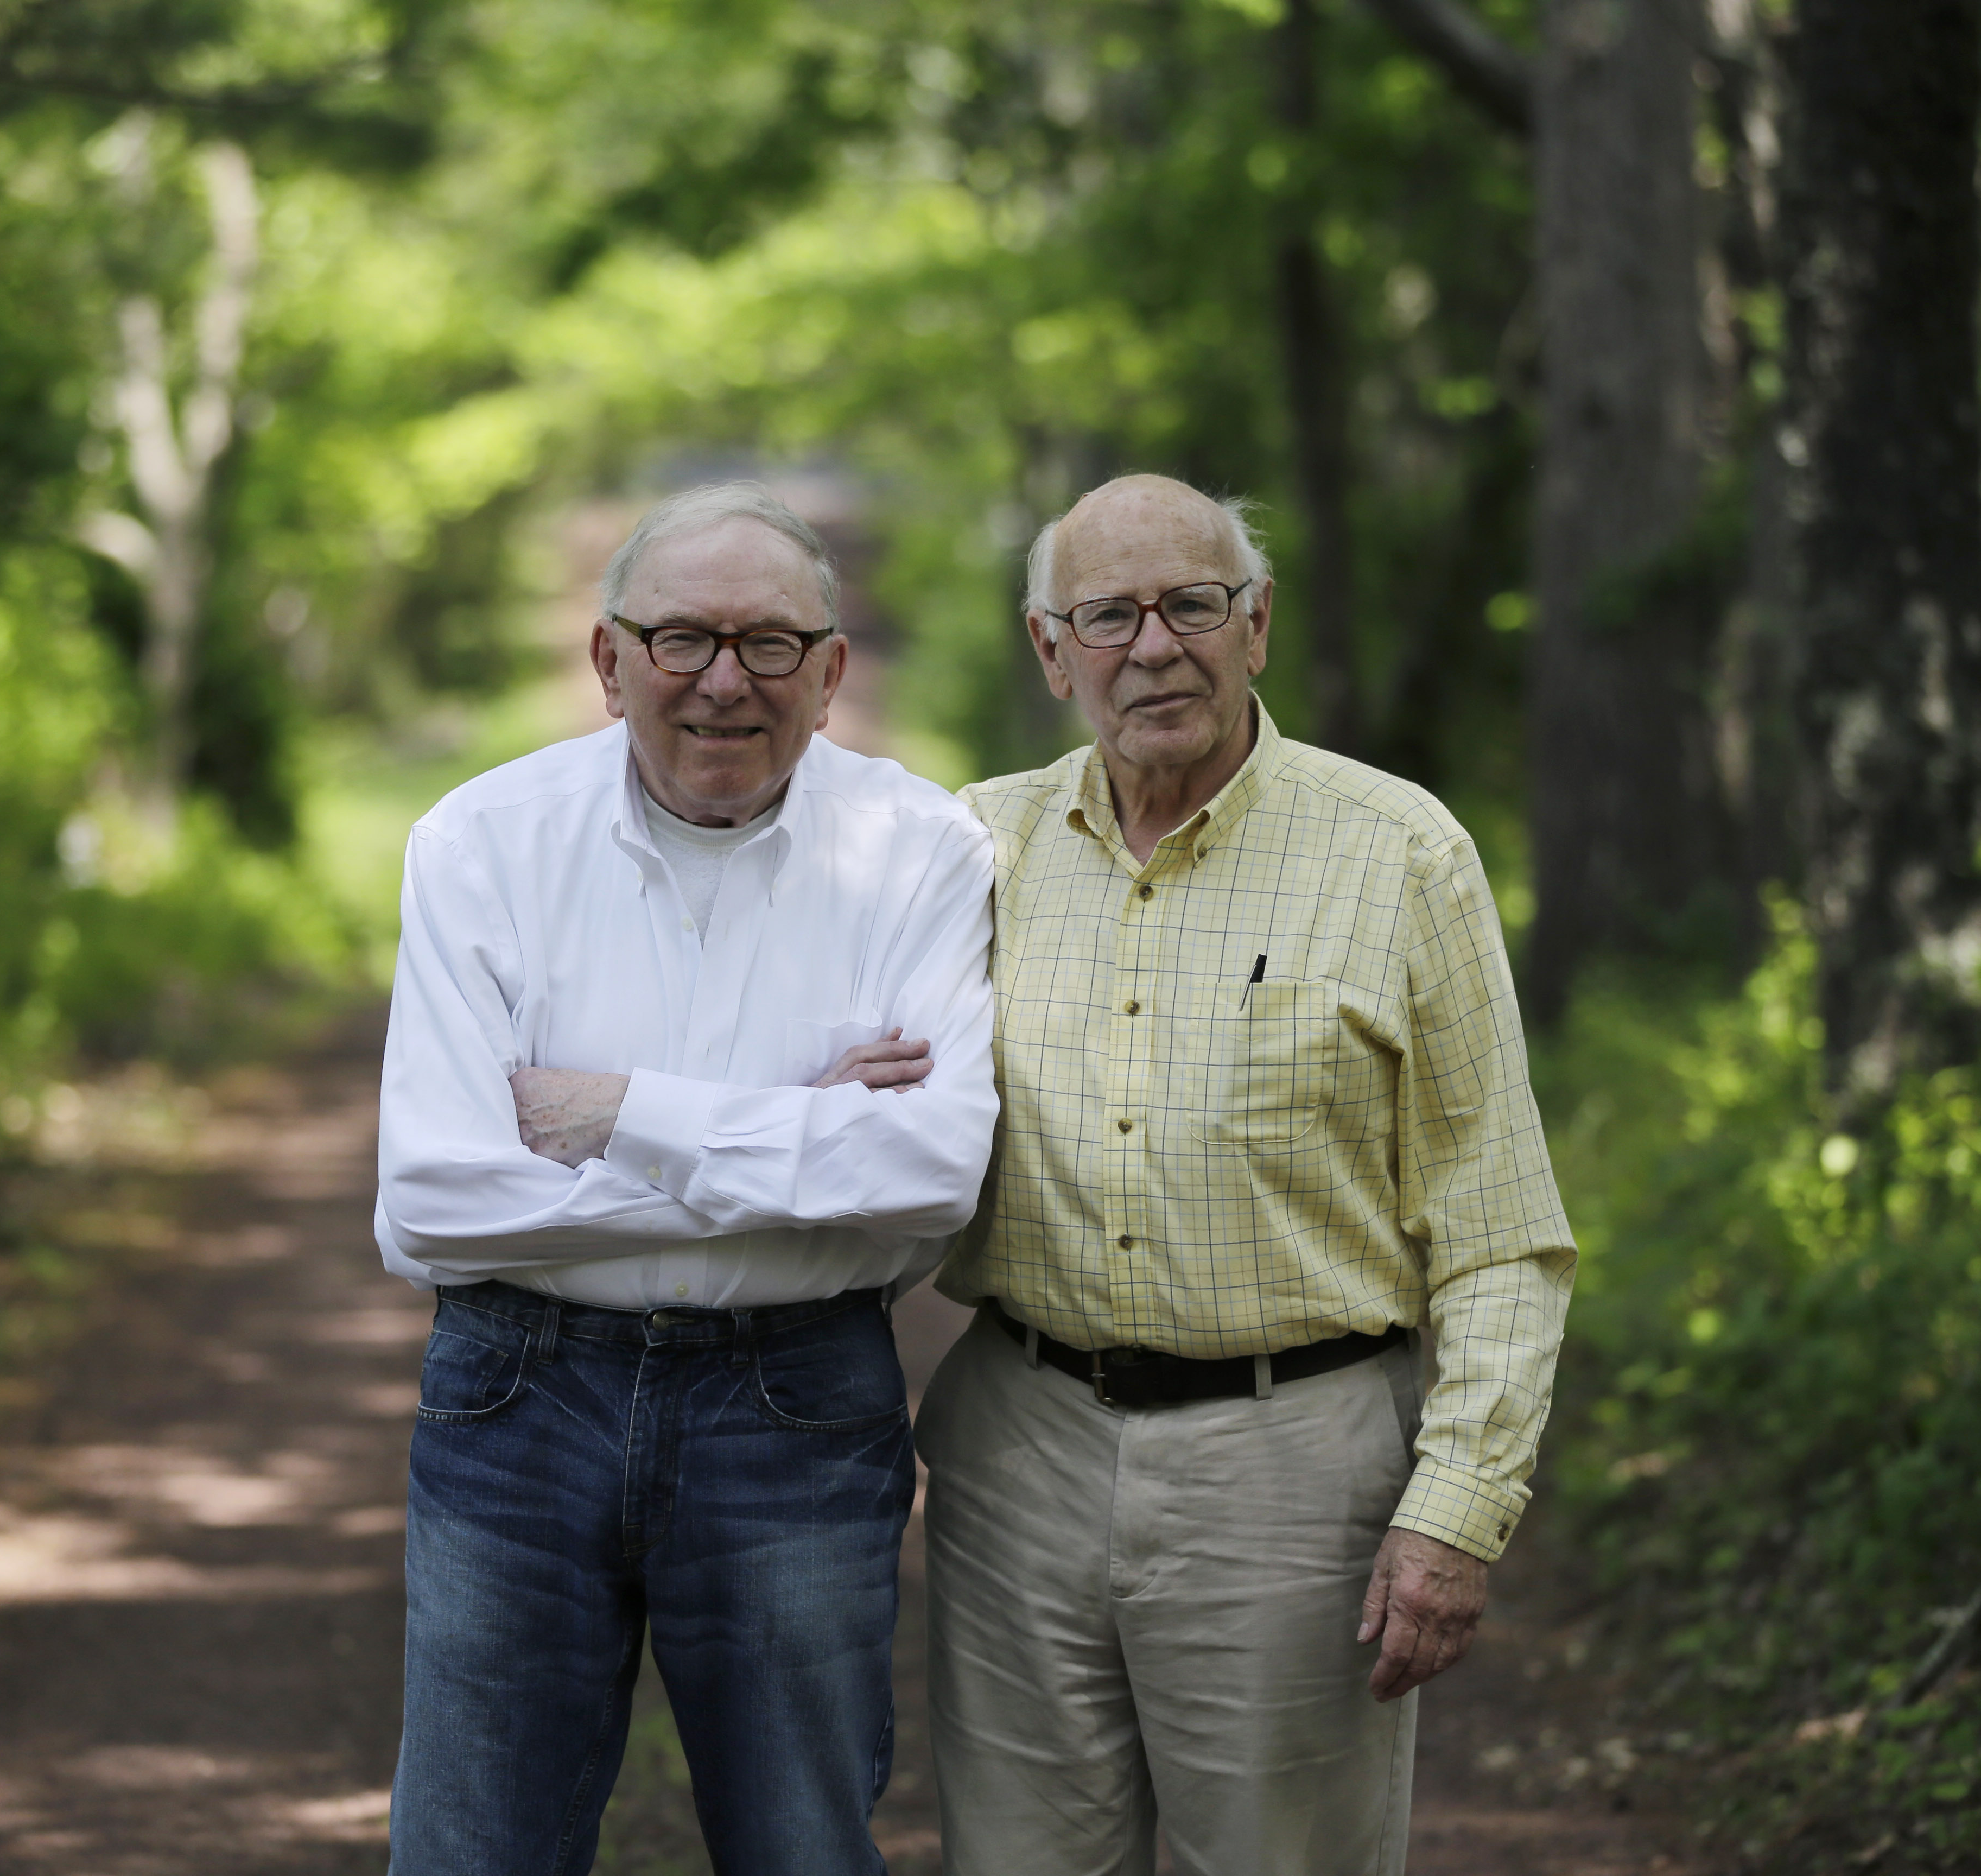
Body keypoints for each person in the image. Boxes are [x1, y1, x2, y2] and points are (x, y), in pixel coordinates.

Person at [919, 473, 1576, 1875]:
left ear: (1257, 624)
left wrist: (1457, 1508)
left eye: (1193, 605)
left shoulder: (1402, 856)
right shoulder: (970, 852)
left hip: (1296, 1467)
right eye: (1109, 615)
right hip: (1018, 1456)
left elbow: (1500, 1227)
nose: (1155, 646)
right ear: (1052, 651)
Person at [373, 481, 998, 1875]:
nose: (727, 682)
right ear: (609, 662)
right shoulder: (479, 844)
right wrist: (793, 1136)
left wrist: (616, 1114)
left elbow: (935, 1170)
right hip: (517, 1397)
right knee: (472, 1853)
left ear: (832, 674)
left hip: (796, 1401)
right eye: (682, 641)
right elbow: (430, 1200)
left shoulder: (923, 850)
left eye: (772, 644)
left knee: (803, 1849)